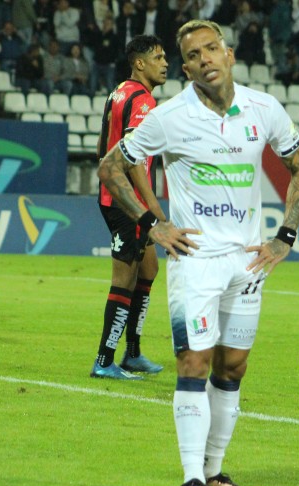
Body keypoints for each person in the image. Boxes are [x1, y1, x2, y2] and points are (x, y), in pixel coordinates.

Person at [95, 20, 299, 486]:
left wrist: (285, 236)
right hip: (195, 262)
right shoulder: (169, 117)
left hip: (248, 262)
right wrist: (153, 225)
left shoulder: (265, 109)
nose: (204, 59)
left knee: (233, 367)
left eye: (211, 48)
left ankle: (215, 473)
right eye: (193, 55)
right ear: (187, 69)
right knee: (193, 361)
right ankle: (192, 479)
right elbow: (111, 167)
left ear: (229, 54)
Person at [89, 35, 169, 381]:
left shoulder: (118, 92)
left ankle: (132, 353)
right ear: (140, 63)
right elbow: (134, 159)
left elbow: (102, 144)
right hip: (128, 203)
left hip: (116, 196)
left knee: (149, 268)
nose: (165, 63)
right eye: (158, 57)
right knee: (125, 278)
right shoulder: (143, 100)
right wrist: (155, 211)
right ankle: (104, 360)